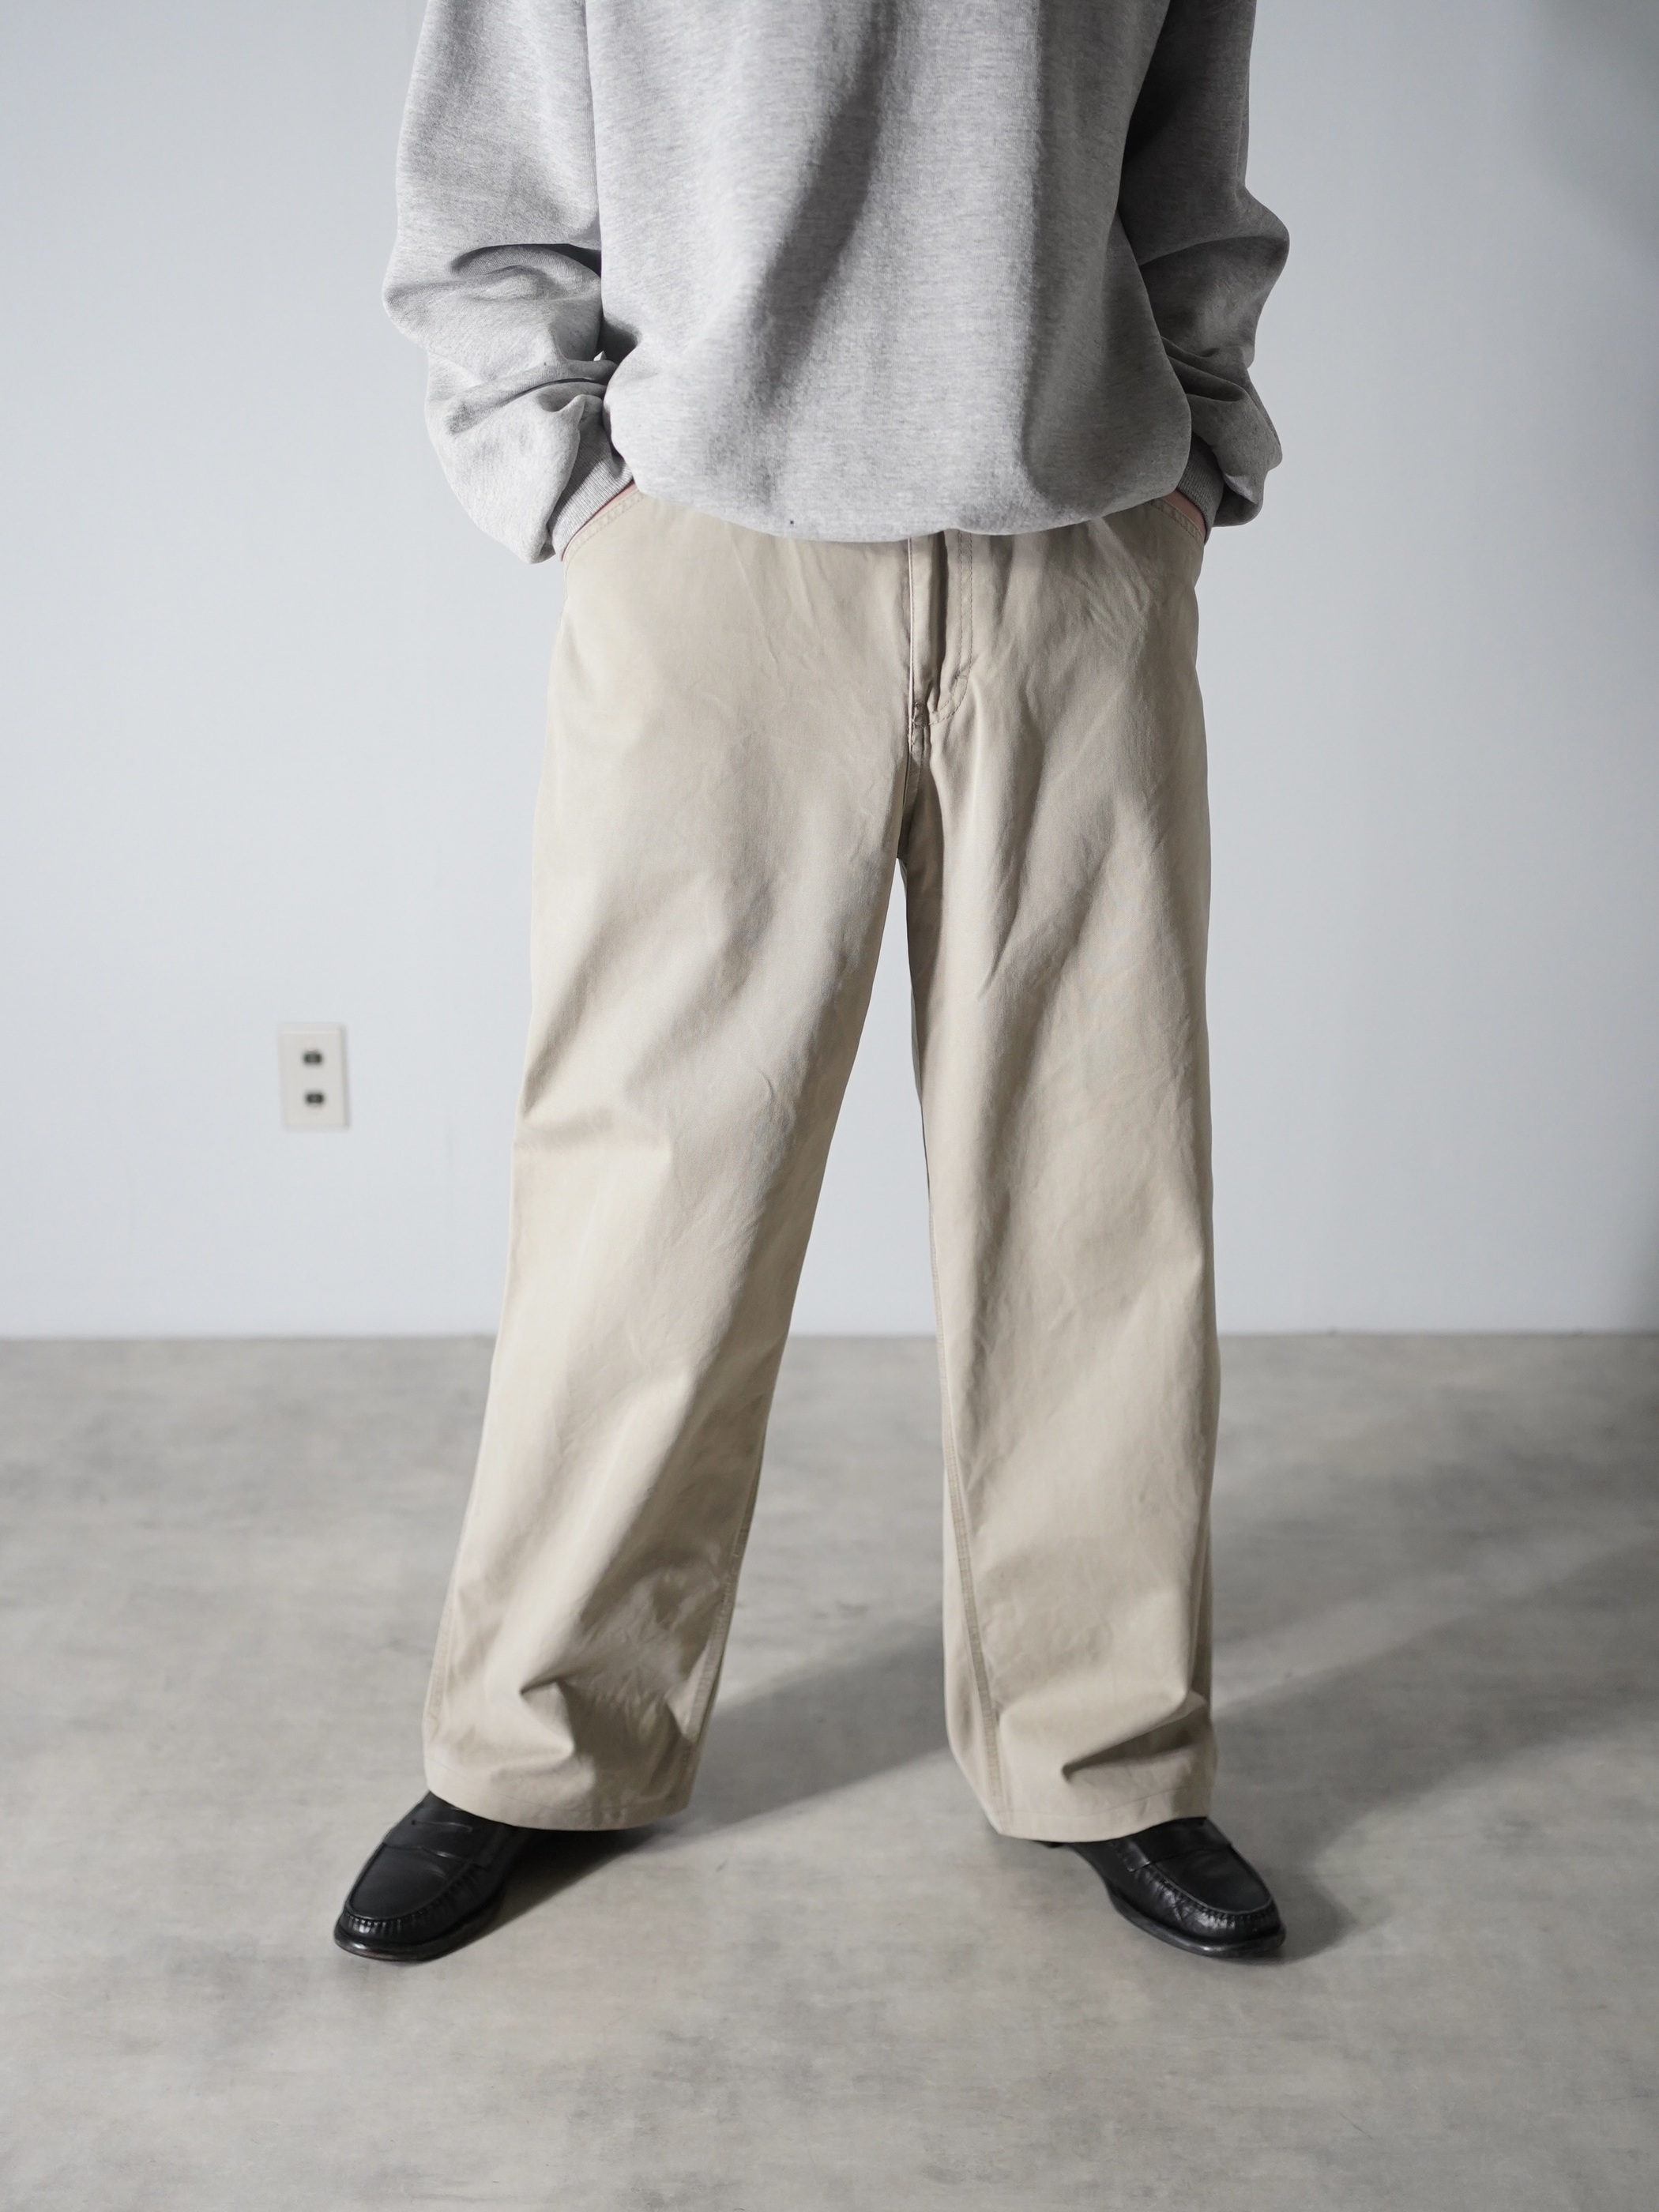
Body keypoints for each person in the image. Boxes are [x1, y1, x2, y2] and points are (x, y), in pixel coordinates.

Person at [336, 0, 1290, 1967]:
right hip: (713, 550)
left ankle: (1105, 1750)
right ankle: (539, 1746)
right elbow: (488, 201)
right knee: (647, 1184)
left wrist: (1195, 456)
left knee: (1098, 1185)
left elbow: (1185, 170)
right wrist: (575, 489)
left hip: (1079, 550)